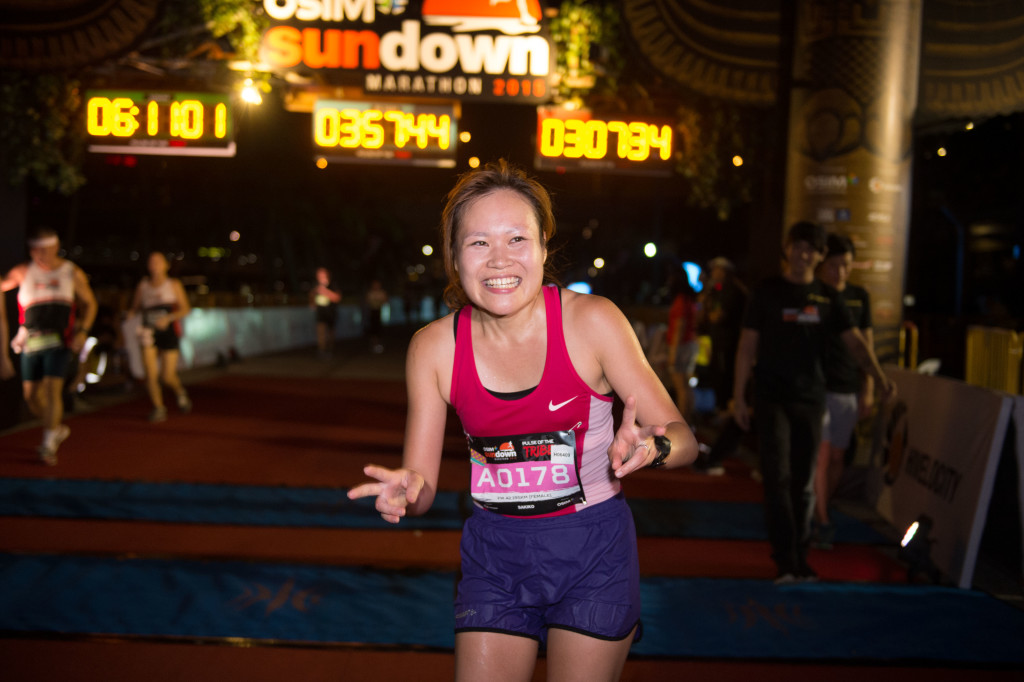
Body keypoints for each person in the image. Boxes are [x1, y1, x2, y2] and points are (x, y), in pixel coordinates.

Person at [348, 160, 698, 681]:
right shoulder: (433, 349)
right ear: (455, 256)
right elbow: (420, 492)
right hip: (496, 556)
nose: (499, 260)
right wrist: (406, 490)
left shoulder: (593, 322)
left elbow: (684, 438)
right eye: (478, 243)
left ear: (542, 248)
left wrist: (655, 448)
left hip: (593, 554)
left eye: (516, 238)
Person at [731, 221, 893, 584]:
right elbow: (746, 347)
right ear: (787, 249)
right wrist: (738, 395)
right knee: (777, 477)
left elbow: (855, 343)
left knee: (803, 481)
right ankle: (785, 559)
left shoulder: (828, 298)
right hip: (771, 398)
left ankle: (800, 558)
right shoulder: (767, 291)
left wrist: (879, 378)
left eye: (812, 249)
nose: (804, 255)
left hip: (811, 400)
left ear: (819, 256)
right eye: (798, 247)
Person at [2, 227, 97, 465]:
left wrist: (83, 331)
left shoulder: (70, 272)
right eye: (34, 250)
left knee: (52, 389)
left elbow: (90, 304)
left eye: (44, 249)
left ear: (55, 247)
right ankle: (54, 428)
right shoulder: (24, 271)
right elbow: (3, 284)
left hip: (60, 340)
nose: (39, 255)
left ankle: (47, 445)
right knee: (31, 397)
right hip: (31, 341)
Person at [813, 233, 874, 548]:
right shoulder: (814, 295)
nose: (840, 272)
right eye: (834, 265)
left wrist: (870, 387)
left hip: (848, 386)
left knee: (838, 456)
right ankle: (822, 518)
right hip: (817, 387)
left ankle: (821, 504)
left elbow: (866, 345)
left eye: (846, 265)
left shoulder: (859, 296)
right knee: (822, 456)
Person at [129, 252, 192, 423]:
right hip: (148, 332)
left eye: (158, 262)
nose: (154, 265)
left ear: (166, 265)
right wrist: (129, 315)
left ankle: (180, 392)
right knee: (150, 373)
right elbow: (135, 308)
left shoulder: (173, 284)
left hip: (169, 331)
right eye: (151, 262)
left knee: (167, 376)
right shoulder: (143, 286)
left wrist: (169, 318)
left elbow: (186, 308)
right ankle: (158, 407)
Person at [666, 271, 699, 422]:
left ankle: (681, 422)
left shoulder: (680, 301)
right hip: (690, 343)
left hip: (682, 346)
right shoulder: (689, 300)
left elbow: (679, 327)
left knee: (680, 386)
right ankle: (688, 418)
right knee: (686, 385)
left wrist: (673, 352)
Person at [310, 267, 341, 358]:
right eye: (318, 274)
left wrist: (325, 292)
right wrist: (312, 303)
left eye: (322, 274)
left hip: (331, 313)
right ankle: (322, 350)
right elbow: (311, 295)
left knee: (330, 334)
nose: (320, 276)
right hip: (320, 313)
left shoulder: (333, 285)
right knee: (321, 332)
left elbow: (337, 297)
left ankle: (330, 349)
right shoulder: (315, 285)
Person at [365, 279, 388, 353]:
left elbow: (385, 300)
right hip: (372, 312)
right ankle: (373, 345)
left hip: (379, 313)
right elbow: (368, 301)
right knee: (373, 330)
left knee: (379, 329)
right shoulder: (370, 293)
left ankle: (379, 345)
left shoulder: (381, 292)